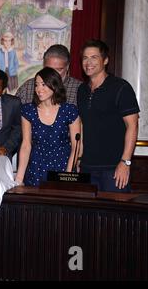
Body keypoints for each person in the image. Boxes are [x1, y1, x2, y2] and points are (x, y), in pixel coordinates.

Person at [77, 39, 140, 192]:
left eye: (94, 57)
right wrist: (79, 160)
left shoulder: (121, 87)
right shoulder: (82, 90)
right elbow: (83, 126)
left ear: (105, 60)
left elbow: (133, 126)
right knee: (87, 215)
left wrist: (125, 162)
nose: (88, 62)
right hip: (87, 168)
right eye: (85, 58)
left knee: (116, 215)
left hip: (114, 168)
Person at [15, 67, 81, 186]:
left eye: (43, 84)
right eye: (36, 85)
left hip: (62, 166)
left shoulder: (69, 111)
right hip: (36, 167)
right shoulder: (28, 111)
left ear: (54, 86)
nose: (38, 89)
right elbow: (26, 145)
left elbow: (76, 146)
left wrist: (68, 175)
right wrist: (18, 179)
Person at [16, 44, 82, 105]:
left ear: (67, 67)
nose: (53, 74)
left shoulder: (79, 89)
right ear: (43, 66)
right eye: (49, 69)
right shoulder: (28, 87)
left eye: (58, 70)